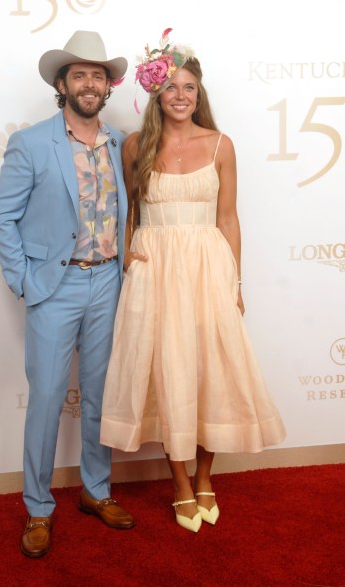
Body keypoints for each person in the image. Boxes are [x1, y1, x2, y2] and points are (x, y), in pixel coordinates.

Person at [100, 29, 286, 533]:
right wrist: (130, 259)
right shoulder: (136, 145)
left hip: (208, 267)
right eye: (171, 87)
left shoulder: (221, 144)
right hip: (154, 270)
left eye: (189, 88)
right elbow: (130, 212)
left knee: (210, 372)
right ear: (156, 94)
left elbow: (228, 219)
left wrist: (237, 282)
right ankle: (179, 482)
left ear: (198, 94)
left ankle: (205, 475)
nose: (180, 96)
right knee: (168, 374)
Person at [0, 30, 135, 558]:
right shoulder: (32, 142)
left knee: (100, 396)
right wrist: (24, 280)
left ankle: (96, 491)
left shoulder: (120, 142)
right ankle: (37, 506)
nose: (90, 83)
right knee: (48, 399)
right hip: (56, 284)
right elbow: (1, 216)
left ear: (108, 85)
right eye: (80, 74)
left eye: (98, 75)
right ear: (62, 83)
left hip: (108, 282)